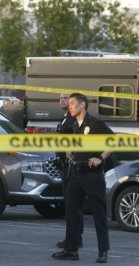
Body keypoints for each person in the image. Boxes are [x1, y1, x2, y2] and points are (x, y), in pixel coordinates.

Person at [52, 93, 113, 263]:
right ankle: (71, 250)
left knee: (98, 213)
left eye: (72, 103)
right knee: (71, 212)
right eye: (69, 103)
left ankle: (103, 251)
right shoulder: (74, 124)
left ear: (83, 105)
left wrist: (100, 158)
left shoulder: (95, 123)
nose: (69, 106)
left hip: (92, 175)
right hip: (75, 174)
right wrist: (69, 149)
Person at [54, 93, 83, 249]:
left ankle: (75, 238)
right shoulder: (64, 119)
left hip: (70, 166)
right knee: (69, 204)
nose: (63, 101)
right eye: (61, 98)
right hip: (63, 166)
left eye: (66, 99)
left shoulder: (73, 120)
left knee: (73, 205)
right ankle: (73, 237)